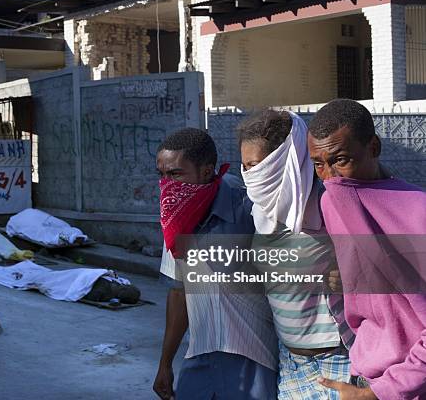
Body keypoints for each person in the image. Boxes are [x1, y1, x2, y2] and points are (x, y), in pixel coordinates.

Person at [307, 99, 426, 399]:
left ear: (373, 147)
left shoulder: (419, 210)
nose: (330, 177)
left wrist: (380, 392)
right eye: (318, 164)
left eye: (341, 159)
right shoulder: (331, 203)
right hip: (362, 374)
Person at [153, 128, 278, 400]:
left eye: (175, 174)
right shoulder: (174, 217)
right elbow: (179, 291)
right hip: (200, 358)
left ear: (207, 170)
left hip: (254, 358)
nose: (167, 184)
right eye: (161, 175)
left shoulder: (249, 208)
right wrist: (165, 362)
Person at [238, 110, 353, 400]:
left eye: (256, 166)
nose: (251, 176)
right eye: (245, 166)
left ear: (283, 163)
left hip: (340, 362)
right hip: (291, 364)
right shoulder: (258, 212)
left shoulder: (330, 204)